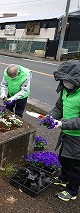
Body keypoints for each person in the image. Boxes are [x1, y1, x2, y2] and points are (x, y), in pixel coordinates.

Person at [48, 60, 80, 201]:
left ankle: (72, 191)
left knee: (75, 165)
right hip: (67, 133)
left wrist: (61, 123)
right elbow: (59, 107)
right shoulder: (65, 90)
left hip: (77, 136)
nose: (64, 82)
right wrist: (51, 116)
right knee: (64, 158)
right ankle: (63, 178)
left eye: (67, 80)